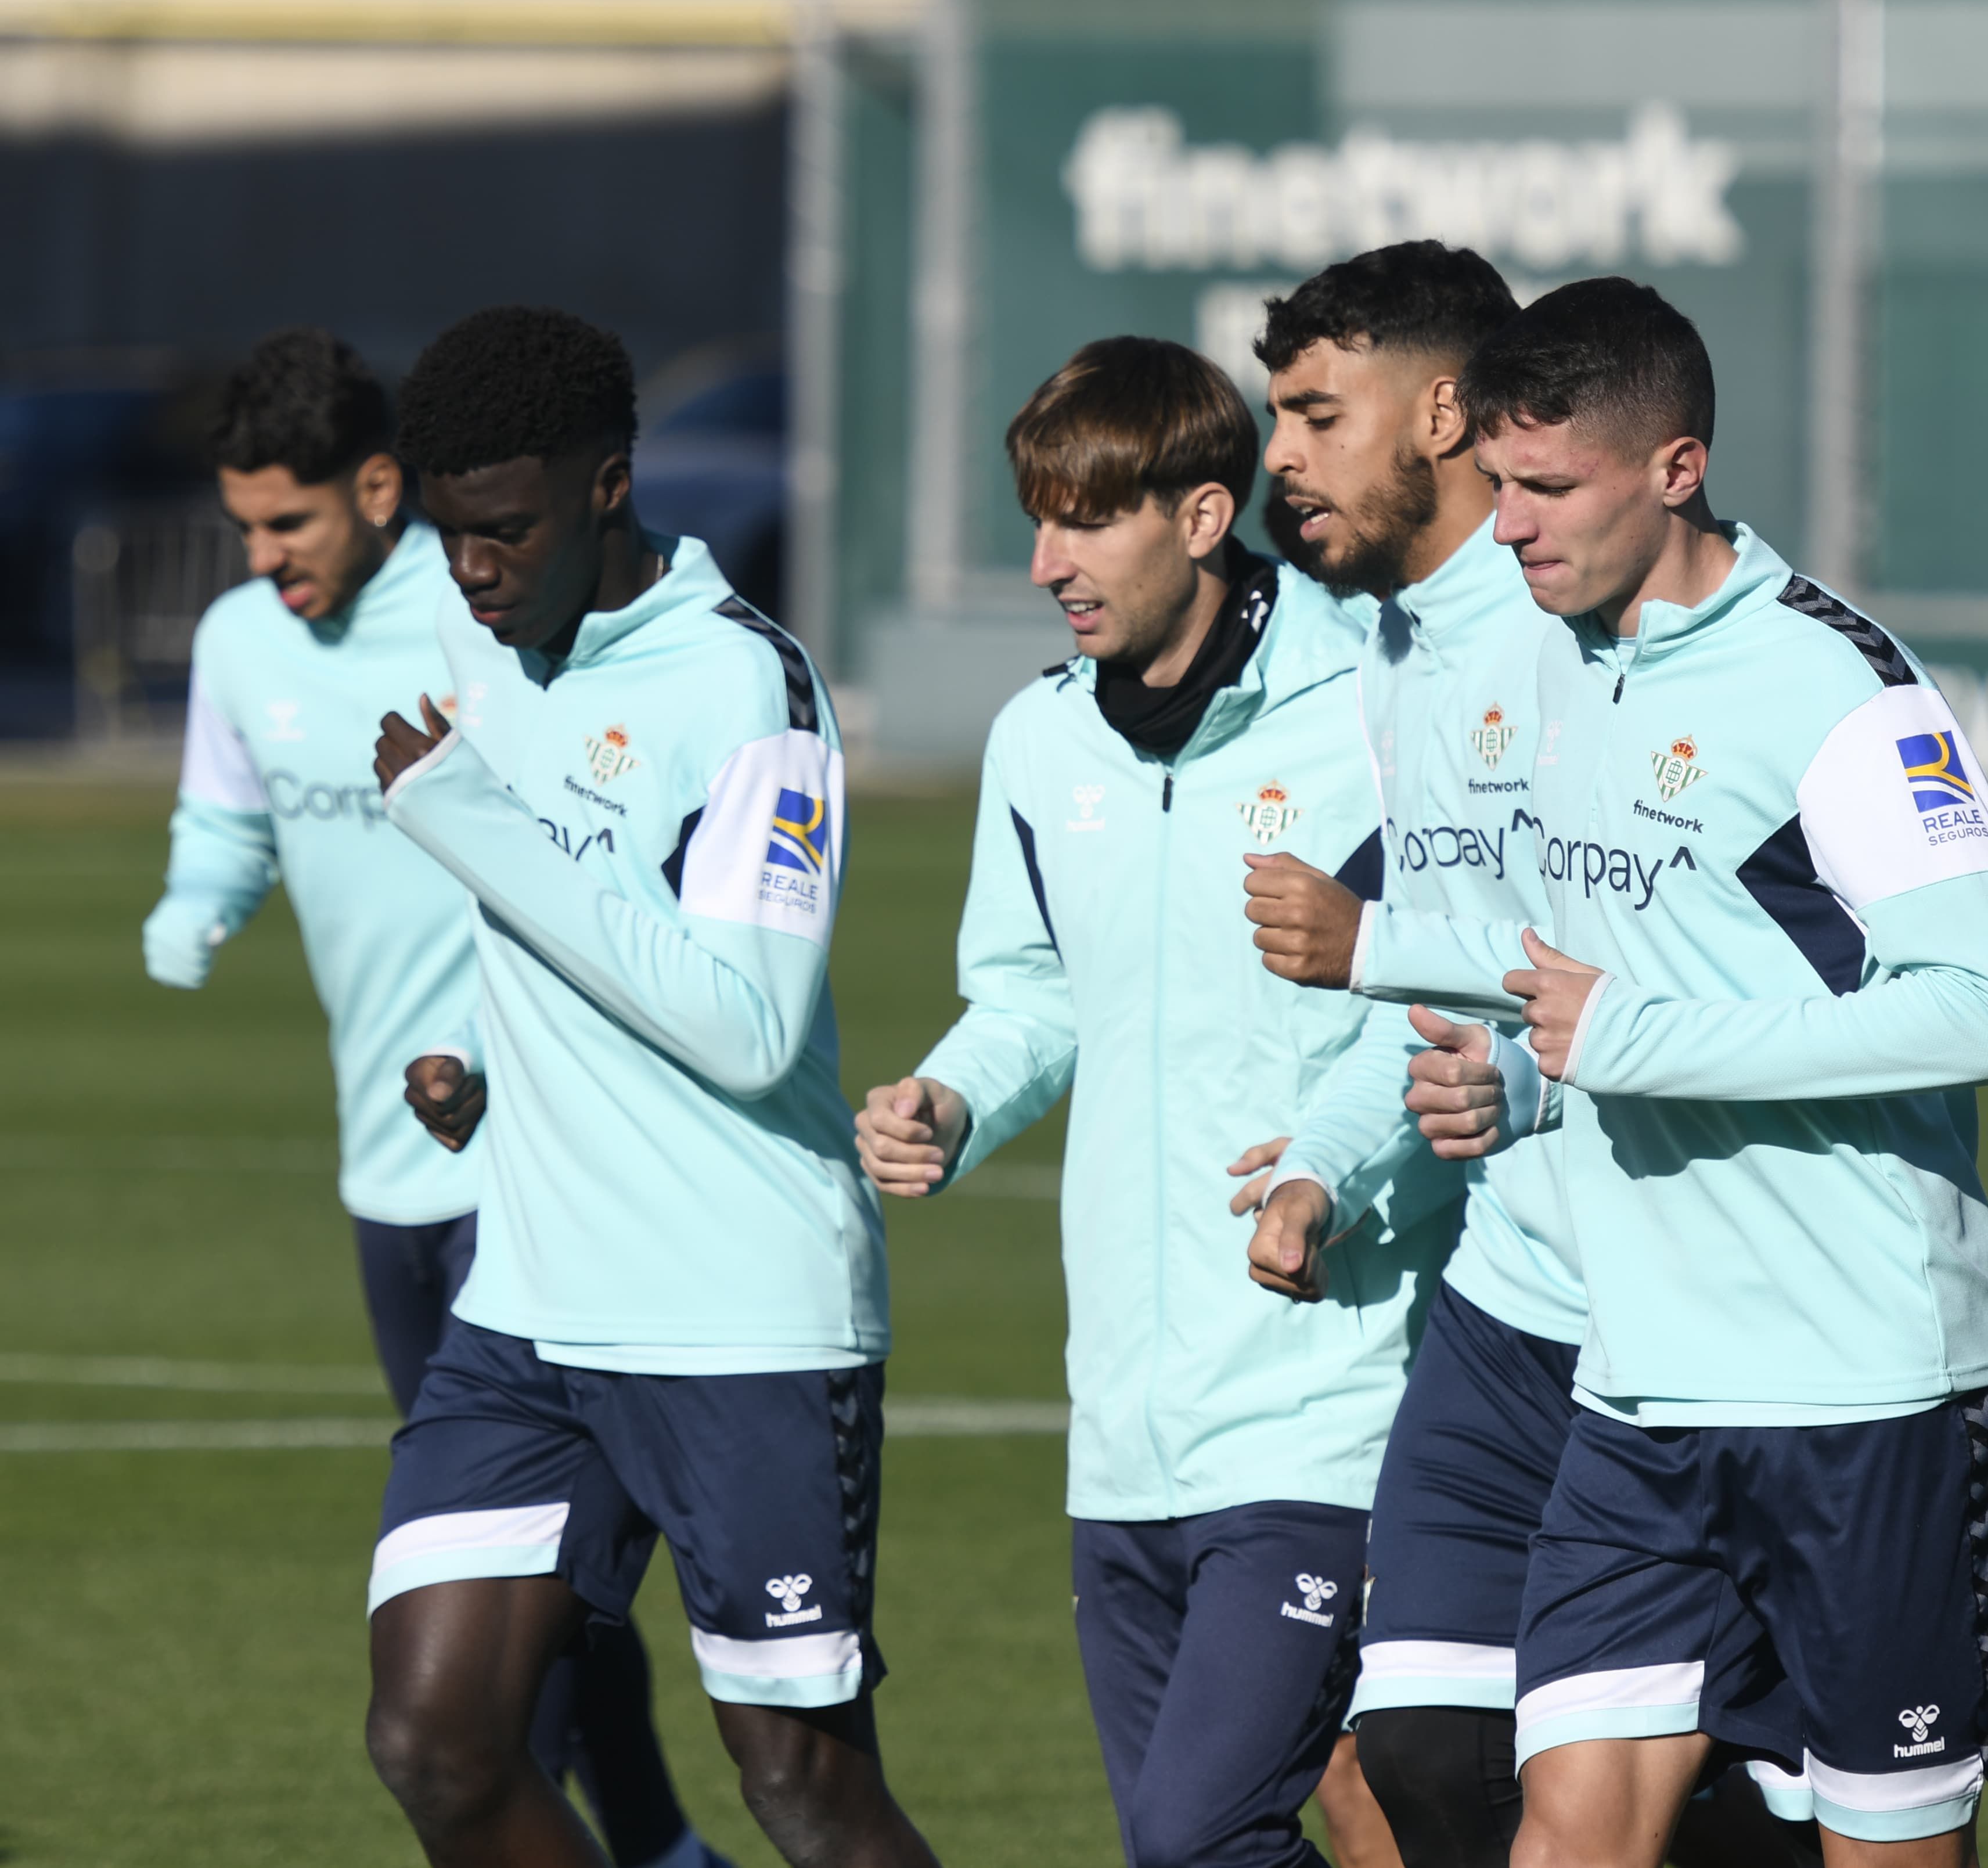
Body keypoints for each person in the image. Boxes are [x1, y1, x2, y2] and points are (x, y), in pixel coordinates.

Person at [1398, 279, 1988, 1867]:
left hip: (1868, 1389)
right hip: (1638, 1390)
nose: (1508, 531)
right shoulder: (1559, 657)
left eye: (1549, 489)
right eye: (1497, 486)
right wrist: (1532, 1082)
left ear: (1676, 467)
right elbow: (1639, 985)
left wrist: (1633, 1041)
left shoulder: (1839, 686)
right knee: (1561, 1839)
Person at [1236, 243, 1820, 1868]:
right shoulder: (1406, 642)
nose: (1278, 449)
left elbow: (1648, 954)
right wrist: (1323, 1164)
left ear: (1439, 412)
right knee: (1418, 1749)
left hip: (1678, 1297)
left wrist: (1526, 1065)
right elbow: (1447, 982)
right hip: (1511, 1291)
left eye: (1312, 411)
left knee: (1679, 1791)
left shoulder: (1583, 618)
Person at [850, 336, 1457, 1868]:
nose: (1046, 558)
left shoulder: (1382, 709)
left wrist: (1330, 1179)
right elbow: (1036, 991)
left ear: (1201, 514)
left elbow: (1450, 1004)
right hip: (1119, 1415)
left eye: (1082, 519)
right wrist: (950, 1094)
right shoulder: (1042, 739)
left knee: (1198, 1837)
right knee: (1204, 1845)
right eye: (1037, 516)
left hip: (1325, 1396)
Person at [361, 305, 931, 1868]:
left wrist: (468, 822)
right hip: (531, 1308)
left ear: (608, 485)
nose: (469, 570)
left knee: (807, 1790)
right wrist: (477, 1061)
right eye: (445, 533)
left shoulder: (751, 689)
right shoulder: (489, 653)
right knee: (437, 1734)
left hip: (733, 1315)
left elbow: (747, 1021)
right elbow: (577, 928)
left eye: (502, 531)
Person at [142, 326, 719, 1868]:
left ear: (380, 484)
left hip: (523, 1160)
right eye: (244, 525)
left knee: (509, 1608)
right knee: (511, 1577)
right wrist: (195, 904)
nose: (264, 558)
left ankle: (635, 1838)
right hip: (383, 1175)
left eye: (291, 523)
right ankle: (657, 1846)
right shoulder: (239, 645)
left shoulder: (480, 617)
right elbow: (224, 819)